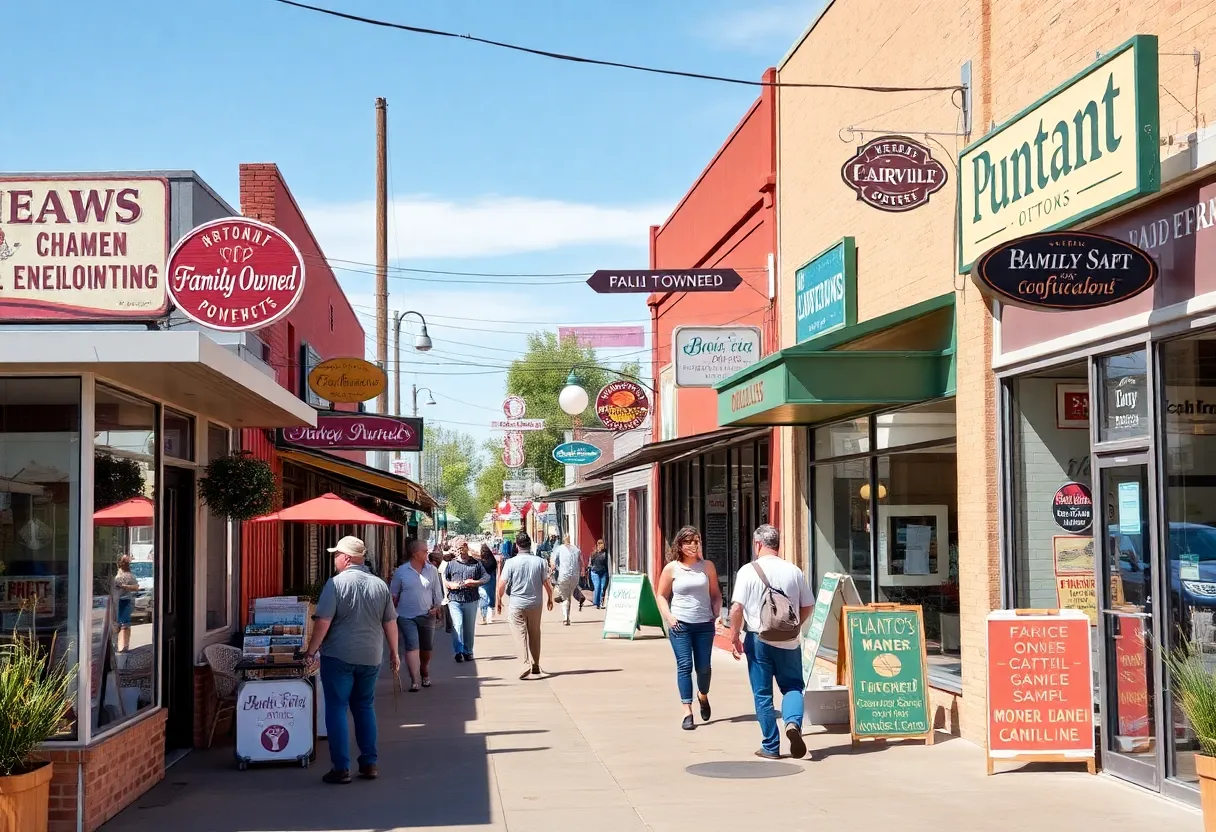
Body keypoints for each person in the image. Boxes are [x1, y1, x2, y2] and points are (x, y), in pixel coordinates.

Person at [302, 536, 399, 784]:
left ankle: (341, 767)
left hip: (339, 655)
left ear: (345, 558)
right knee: (364, 707)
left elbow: (323, 623)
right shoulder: (379, 585)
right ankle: (369, 763)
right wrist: (394, 653)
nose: (334, 559)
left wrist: (310, 652)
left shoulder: (335, 584)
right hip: (371, 656)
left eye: (336, 555)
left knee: (336, 709)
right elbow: (390, 622)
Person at [723, 524, 814, 760]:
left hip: (758, 638)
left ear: (757, 544)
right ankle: (793, 724)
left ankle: (771, 746)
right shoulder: (793, 571)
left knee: (763, 694)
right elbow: (808, 605)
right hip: (789, 640)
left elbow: (736, 608)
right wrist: (795, 626)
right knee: (793, 686)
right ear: (777, 545)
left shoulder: (747, 571)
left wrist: (734, 635)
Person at [655, 526, 721, 731]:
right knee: (684, 666)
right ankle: (687, 711)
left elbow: (716, 594)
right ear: (680, 545)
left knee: (704, 668)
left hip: (704, 624)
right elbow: (661, 595)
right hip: (680, 624)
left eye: (696, 541)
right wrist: (669, 617)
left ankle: (703, 695)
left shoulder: (707, 566)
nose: (693, 545)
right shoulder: (671, 568)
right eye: (689, 542)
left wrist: (717, 615)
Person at [495, 532, 554, 680]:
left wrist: (499, 599)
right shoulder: (540, 562)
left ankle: (524, 663)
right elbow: (546, 582)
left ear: (517, 545)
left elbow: (502, 584)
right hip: (535, 603)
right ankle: (535, 664)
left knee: (519, 634)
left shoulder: (511, 563)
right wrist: (550, 597)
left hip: (517, 604)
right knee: (535, 633)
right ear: (529, 545)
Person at [389, 539, 444, 692]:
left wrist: (437, 606)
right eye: (425, 551)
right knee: (412, 646)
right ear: (415, 554)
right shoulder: (402, 571)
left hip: (427, 614)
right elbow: (393, 593)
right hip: (406, 616)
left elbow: (437, 592)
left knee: (426, 647)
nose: (428, 553)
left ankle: (424, 670)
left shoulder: (431, 570)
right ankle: (415, 680)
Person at [444, 537, 488, 662]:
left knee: (469, 627)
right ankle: (458, 651)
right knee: (457, 624)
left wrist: (475, 582)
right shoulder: (451, 564)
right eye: (456, 548)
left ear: (466, 547)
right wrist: (449, 584)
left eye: (460, 548)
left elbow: (486, 577)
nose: (459, 551)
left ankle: (468, 651)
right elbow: (445, 579)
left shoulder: (476, 563)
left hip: (471, 599)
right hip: (454, 599)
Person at [550, 534, 582, 625]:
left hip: (564, 575)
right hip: (575, 576)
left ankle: (565, 616)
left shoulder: (559, 548)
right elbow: (581, 562)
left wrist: (553, 568)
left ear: (563, 540)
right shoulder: (576, 549)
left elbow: (553, 561)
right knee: (569, 596)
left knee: (564, 597)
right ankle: (567, 616)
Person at [112, 555, 140, 653]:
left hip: (124, 601)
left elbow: (136, 587)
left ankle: (123, 647)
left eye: (126, 562)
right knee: (119, 625)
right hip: (116, 602)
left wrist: (123, 586)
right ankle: (120, 647)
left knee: (124, 625)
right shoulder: (118, 574)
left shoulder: (128, 575)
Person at [478, 542, 498, 624]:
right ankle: (490, 615)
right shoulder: (493, 561)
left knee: (483, 597)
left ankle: (484, 616)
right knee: (491, 597)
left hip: (482, 582)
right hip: (492, 580)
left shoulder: (479, 562)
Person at [588, 540, 610, 609]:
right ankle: (596, 603)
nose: (601, 545)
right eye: (599, 544)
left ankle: (599, 603)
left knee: (602, 588)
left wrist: (608, 572)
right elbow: (590, 563)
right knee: (597, 587)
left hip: (603, 572)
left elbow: (608, 564)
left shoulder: (606, 553)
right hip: (595, 572)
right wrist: (590, 568)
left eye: (602, 544)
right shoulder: (594, 553)